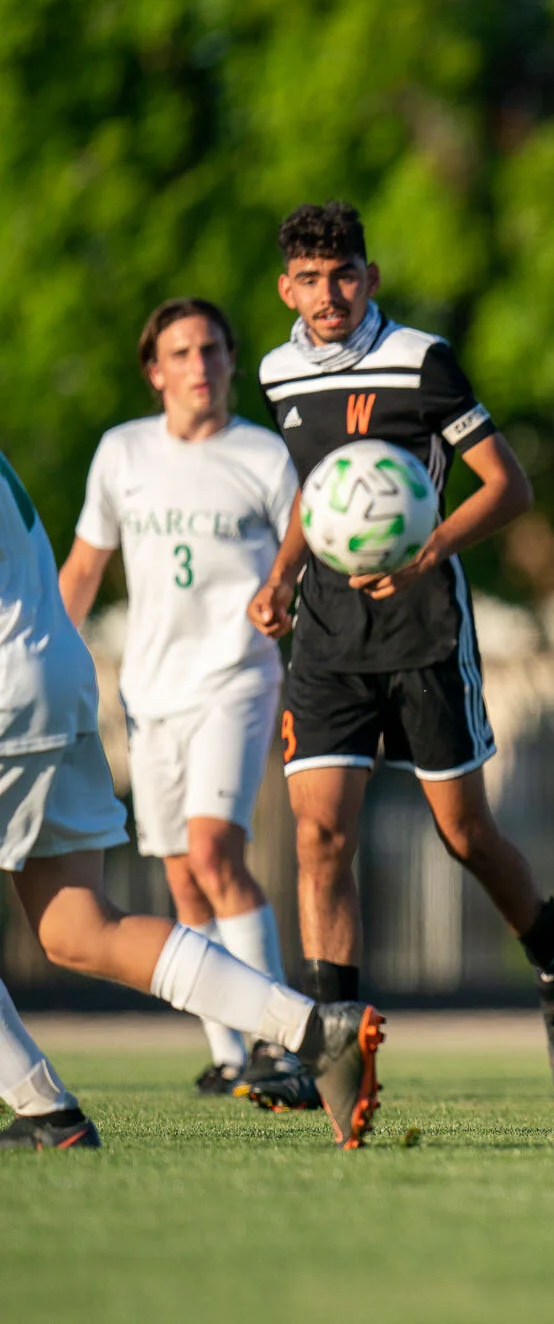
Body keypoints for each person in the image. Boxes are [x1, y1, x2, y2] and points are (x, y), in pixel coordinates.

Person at [244, 201, 554, 1103]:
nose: (330, 294)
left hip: (425, 632)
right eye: (311, 280)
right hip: (327, 637)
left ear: (370, 277)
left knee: (464, 833)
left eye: (344, 275)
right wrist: (282, 574)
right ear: (287, 289)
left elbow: (508, 486)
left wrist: (427, 551)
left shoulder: (421, 360)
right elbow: (319, 493)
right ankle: (335, 1053)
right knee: (321, 836)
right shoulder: (279, 372)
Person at [0, 449, 382, 1151]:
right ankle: (312, 1032)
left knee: (180, 873)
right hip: (53, 673)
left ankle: (44, 1106)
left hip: (9, 687)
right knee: (80, 927)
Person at [58, 298, 303, 1100]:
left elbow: (308, 548)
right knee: (184, 879)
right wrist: (45, 657)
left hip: (236, 675)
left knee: (214, 851)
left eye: (212, 349)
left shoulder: (263, 455)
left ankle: (280, 1040)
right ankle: (230, 1053)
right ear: (155, 371)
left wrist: (282, 592)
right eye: (182, 352)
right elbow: (86, 565)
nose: (200, 364)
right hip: (150, 689)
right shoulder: (122, 452)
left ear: (232, 361)